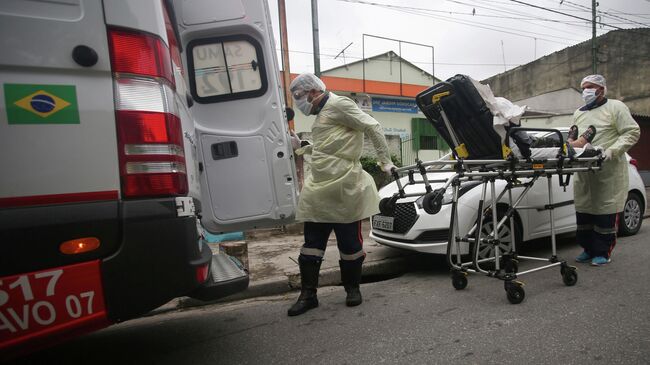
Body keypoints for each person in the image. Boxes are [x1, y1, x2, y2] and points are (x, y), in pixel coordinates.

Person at [287, 73, 394, 316]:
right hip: (319, 187)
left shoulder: (340, 104)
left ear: (313, 92)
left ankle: (352, 289)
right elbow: (328, 146)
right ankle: (308, 295)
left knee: (350, 245)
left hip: (345, 186)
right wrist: (303, 147)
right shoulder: (324, 114)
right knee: (311, 245)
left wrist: (385, 162)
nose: (299, 103)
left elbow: (373, 126)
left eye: (299, 97)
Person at [572, 74, 640, 266]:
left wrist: (612, 151)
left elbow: (632, 131)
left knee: (605, 214)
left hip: (608, 169)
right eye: (583, 88)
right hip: (585, 172)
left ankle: (603, 252)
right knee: (584, 213)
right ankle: (587, 248)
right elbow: (577, 136)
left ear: (601, 89)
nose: (586, 91)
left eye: (590, 87)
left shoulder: (616, 107)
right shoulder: (579, 112)